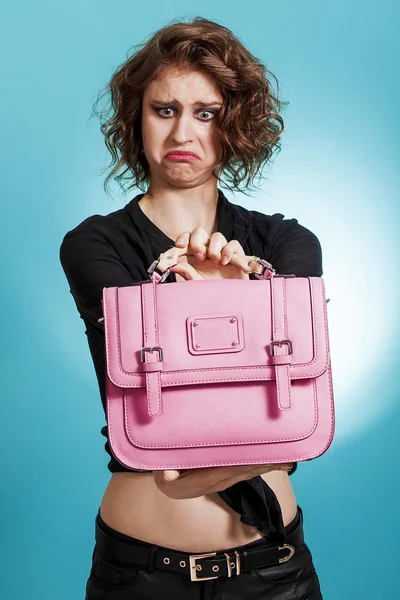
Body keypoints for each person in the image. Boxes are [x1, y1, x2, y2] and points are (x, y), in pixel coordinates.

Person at [60, 16, 324, 599]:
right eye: (164, 110)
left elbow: (294, 417)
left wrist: (225, 295)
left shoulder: (288, 244)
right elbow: (157, 427)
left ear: (234, 127)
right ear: (138, 119)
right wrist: (221, 304)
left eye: (205, 113)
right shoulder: (94, 245)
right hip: (140, 576)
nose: (184, 131)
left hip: (273, 575)